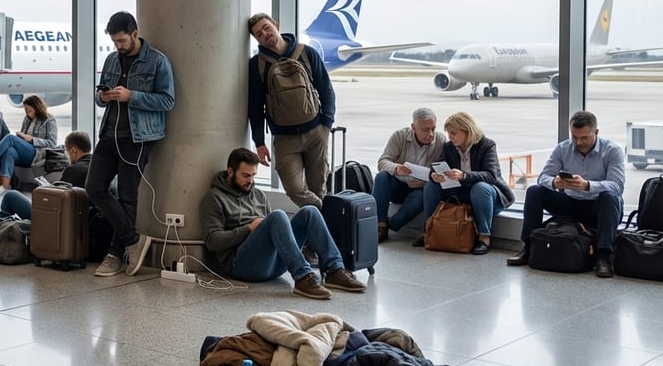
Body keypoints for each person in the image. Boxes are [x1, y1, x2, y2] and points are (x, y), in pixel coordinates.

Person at [199, 148, 367, 299]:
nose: (250, 181)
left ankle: (334, 270)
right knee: (278, 215)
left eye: (253, 175)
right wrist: (249, 228)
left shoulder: (257, 194)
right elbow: (212, 241)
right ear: (230, 171)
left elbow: (273, 232)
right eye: (245, 175)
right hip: (241, 266)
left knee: (310, 211)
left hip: (273, 264)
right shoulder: (214, 198)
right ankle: (303, 278)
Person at [86, 12, 175, 277]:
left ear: (135, 33)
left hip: (138, 138)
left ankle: (115, 255)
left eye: (122, 40)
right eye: (114, 41)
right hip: (108, 135)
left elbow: (167, 101)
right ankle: (133, 240)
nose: (118, 46)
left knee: (127, 196)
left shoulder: (158, 62)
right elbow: (100, 99)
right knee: (93, 187)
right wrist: (103, 96)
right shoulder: (112, 59)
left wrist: (131, 96)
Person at [507, 110, 625, 277]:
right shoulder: (563, 148)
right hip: (570, 201)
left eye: (584, 137)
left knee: (610, 197)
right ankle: (528, 247)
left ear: (596, 133)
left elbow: (617, 185)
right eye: (575, 137)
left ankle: (603, 256)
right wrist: (554, 183)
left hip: (597, 206)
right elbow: (543, 177)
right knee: (534, 191)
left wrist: (587, 185)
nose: (579, 142)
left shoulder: (612, 151)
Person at [246, 13, 335, 209]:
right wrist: (259, 142)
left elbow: (326, 90)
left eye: (266, 27)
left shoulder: (307, 53)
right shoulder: (257, 65)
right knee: (294, 189)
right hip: (285, 139)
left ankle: (317, 237)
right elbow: (255, 106)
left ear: (276, 25)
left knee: (318, 186)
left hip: (315, 134)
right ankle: (325, 212)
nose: (265, 34)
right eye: (259, 34)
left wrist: (325, 126)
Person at [418, 111, 515, 254]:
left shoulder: (486, 145)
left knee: (480, 188)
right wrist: (434, 174)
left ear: (467, 131)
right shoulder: (450, 147)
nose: (450, 137)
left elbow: (491, 176)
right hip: (461, 192)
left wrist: (464, 176)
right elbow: (437, 163)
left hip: (486, 196)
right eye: (449, 133)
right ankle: (430, 230)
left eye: (453, 133)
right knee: (431, 185)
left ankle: (484, 237)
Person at [373, 107, 447, 241]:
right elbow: (383, 161)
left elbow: (442, 168)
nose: (430, 134)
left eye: (433, 129)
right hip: (399, 184)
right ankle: (380, 226)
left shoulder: (440, 140)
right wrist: (396, 168)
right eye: (425, 130)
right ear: (413, 127)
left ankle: (393, 224)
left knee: (420, 198)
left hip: (420, 189)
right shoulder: (400, 136)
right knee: (381, 177)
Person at [0, 94, 58, 195]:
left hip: (37, 153)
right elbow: (23, 137)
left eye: (29, 110)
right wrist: (22, 136)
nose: (27, 113)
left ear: (37, 107)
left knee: (9, 138)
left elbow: (52, 143)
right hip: (26, 151)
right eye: (26, 110)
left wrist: (32, 139)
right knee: (10, 151)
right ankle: (5, 186)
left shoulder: (49, 119)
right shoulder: (27, 119)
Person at [0, 130, 93, 219]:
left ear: (73, 150)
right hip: (83, 220)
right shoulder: (97, 167)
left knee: (10, 196)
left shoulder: (73, 170)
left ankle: (4, 230)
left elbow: (56, 201)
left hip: (56, 220)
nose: (66, 155)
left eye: (66, 151)